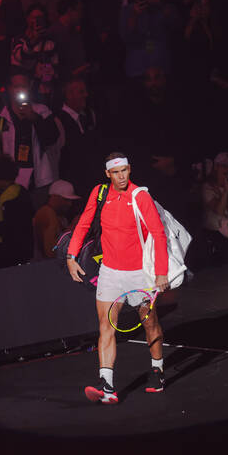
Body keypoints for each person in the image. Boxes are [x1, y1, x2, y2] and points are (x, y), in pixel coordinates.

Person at [65, 153, 169, 402]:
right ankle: (107, 387)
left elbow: (158, 233)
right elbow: (83, 224)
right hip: (110, 273)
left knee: (150, 323)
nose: (122, 176)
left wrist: (161, 272)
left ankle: (158, 369)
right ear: (108, 174)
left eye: (125, 171)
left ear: (129, 170)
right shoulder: (100, 194)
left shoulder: (140, 196)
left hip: (139, 275)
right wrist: (71, 256)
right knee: (105, 327)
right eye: (116, 172)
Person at [34, 179, 80, 258]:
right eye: (66, 200)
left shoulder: (61, 217)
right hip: (44, 266)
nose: (69, 204)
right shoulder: (47, 212)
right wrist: (73, 227)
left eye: (71, 201)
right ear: (54, 197)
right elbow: (51, 252)